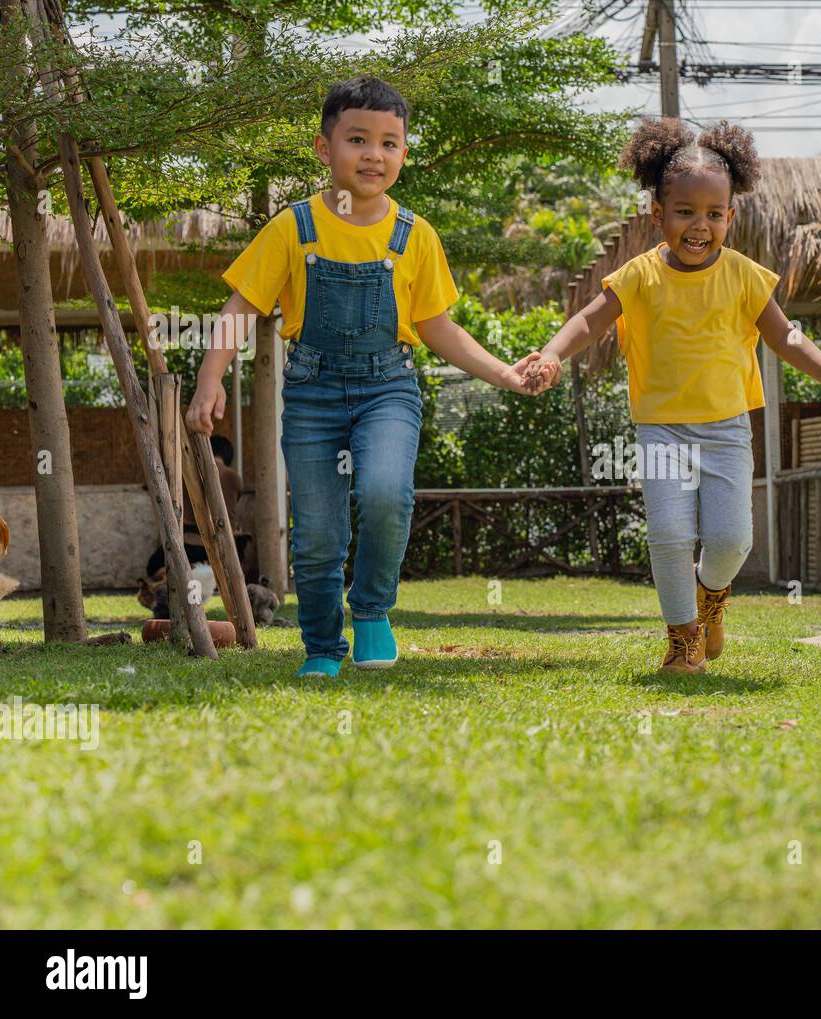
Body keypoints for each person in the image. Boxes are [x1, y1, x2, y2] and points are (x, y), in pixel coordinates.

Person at [186, 76, 553, 678]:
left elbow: (438, 328)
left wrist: (505, 375)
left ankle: (374, 611)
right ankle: (324, 647)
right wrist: (210, 381)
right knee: (318, 534)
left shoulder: (416, 235)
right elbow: (240, 308)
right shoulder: (292, 227)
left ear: (404, 153)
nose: (373, 155)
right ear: (323, 148)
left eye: (389, 143)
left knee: (385, 494)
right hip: (312, 390)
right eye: (358, 139)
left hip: (389, 388)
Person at [528, 119, 821, 673]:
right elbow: (589, 320)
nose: (699, 225)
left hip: (728, 429)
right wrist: (552, 353)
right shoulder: (638, 276)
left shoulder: (746, 277)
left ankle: (711, 600)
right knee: (668, 533)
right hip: (661, 429)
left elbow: (785, 335)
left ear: (731, 216)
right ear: (658, 213)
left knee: (731, 540)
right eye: (684, 212)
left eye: (713, 214)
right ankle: (683, 640)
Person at [144, 434, 247, 580]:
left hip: (188, 546)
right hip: (223, 547)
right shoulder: (234, 477)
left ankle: (184, 573)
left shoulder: (185, 475)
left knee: (153, 566)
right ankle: (213, 574)